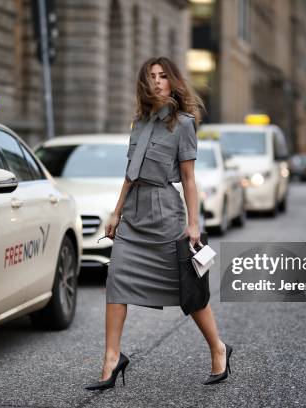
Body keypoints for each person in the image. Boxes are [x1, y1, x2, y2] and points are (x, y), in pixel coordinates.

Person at [84, 57, 233, 390]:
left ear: (172, 81)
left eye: (163, 76)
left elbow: (190, 179)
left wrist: (194, 224)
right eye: (151, 77)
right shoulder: (138, 123)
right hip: (134, 213)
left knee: (188, 288)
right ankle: (111, 359)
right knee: (116, 279)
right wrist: (116, 211)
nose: (156, 81)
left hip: (166, 213)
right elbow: (129, 173)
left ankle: (218, 347)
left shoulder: (183, 124)